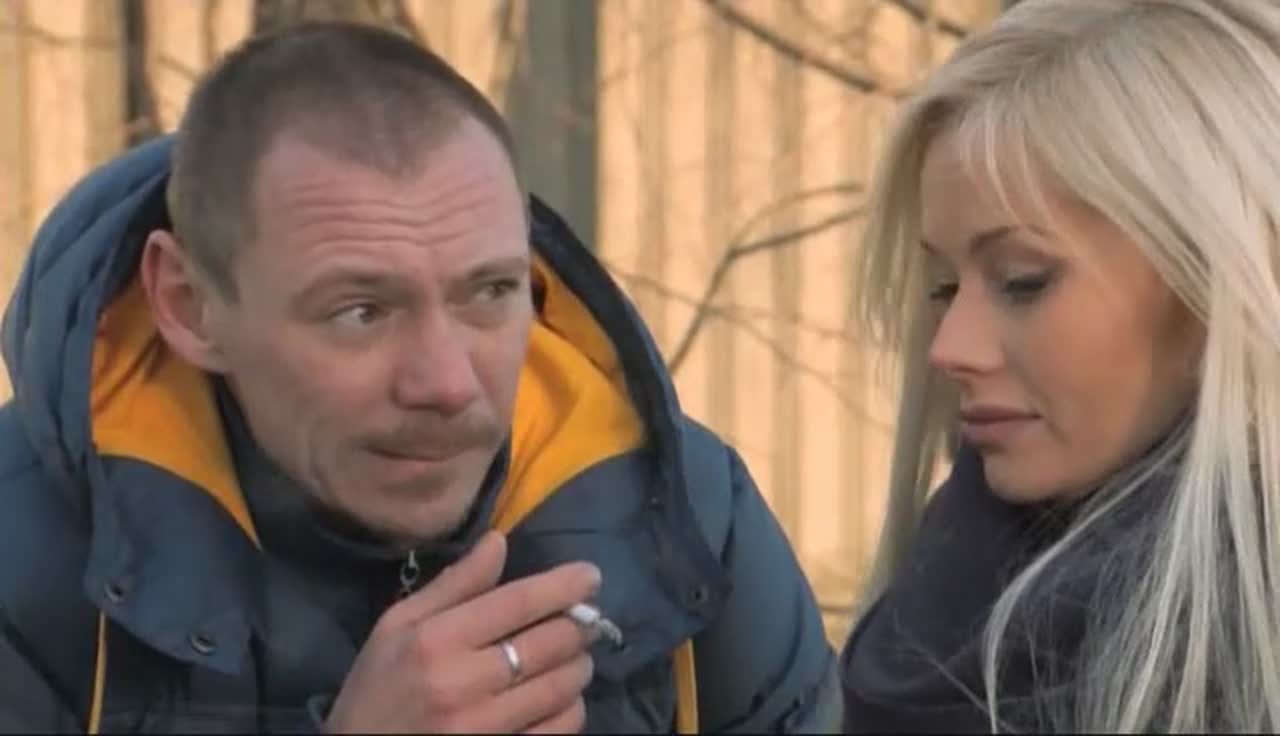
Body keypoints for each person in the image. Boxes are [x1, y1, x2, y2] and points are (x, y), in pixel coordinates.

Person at [0, 21, 841, 734]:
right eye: (360, 311)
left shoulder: (686, 513)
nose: (447, 383)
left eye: (491, 293)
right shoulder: (23, 548)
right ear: (190, 307)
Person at [840, 0, 1280, 732]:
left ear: (1220, 284)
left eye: (1023, 280)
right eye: (944, 287)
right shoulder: (927, 613)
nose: (949, 348)